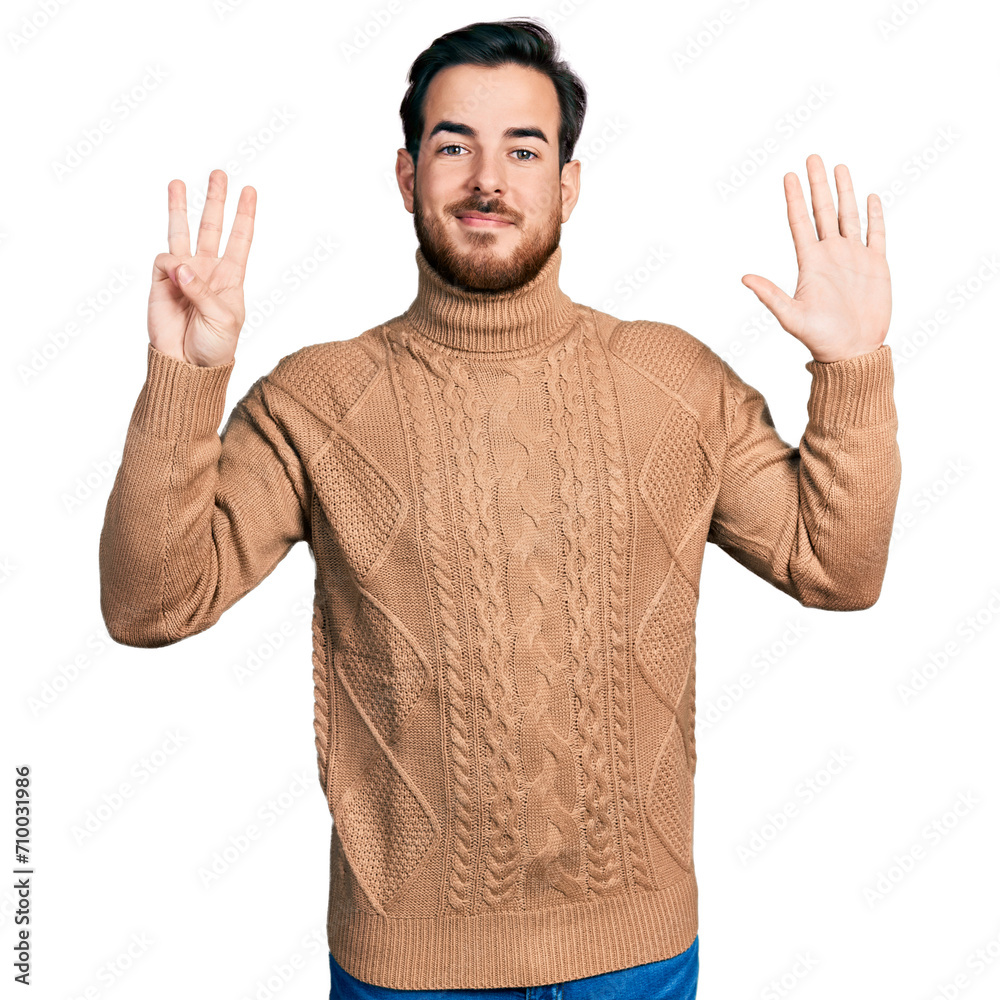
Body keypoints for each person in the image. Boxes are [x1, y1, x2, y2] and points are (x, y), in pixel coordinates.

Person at [99, 17, 900, 999]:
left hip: (633, 960)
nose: (489, 177)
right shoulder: (317, 399)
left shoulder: (675, 382)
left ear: (567, 182)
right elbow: (150, 606)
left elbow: (837, 568)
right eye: (453, 144)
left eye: (524, 148)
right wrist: (183, 380)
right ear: (406, 177)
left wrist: (852, 369)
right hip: (405, 971)